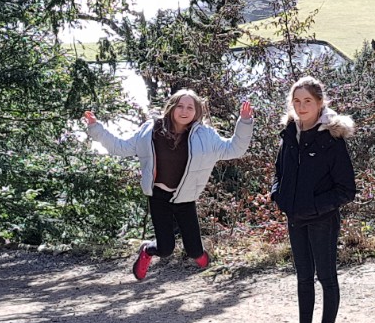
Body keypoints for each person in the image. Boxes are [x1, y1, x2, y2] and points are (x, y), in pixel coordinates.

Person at [84, 90, 254, 280]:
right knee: (165, 249)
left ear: (197, 112)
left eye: (190, 107)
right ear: (171, 107)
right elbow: (120, 147)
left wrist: (245, 122)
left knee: (195, 251)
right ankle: (147, 250)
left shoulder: (205, 136)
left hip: (185, 197)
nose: (184, 111)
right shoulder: (151, 131)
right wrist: (95, 128)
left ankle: (206, 261)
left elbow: (234, 149)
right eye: (180, 106)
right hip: (158, 197)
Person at [271, 76, 355, 323]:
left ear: (320, 103)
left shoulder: (331, 138)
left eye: (308, 100)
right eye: (296, 101)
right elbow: (279, 172)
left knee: (326, 278)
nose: (301, 106)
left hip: (322, 220)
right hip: (295, 218)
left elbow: (346, 190)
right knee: (303, 278)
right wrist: (278, 196)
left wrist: (314, 207)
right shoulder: (289, 133)